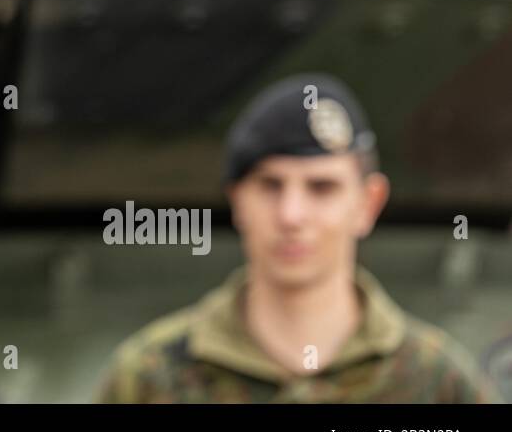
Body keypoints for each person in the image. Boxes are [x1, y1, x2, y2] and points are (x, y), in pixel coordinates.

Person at [96, 74, 498, 403]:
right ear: (237, 199)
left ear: (368, 202)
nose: (291, 215)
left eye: (321, 188)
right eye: (271, 186)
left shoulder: (436, 382)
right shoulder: (152, 377)